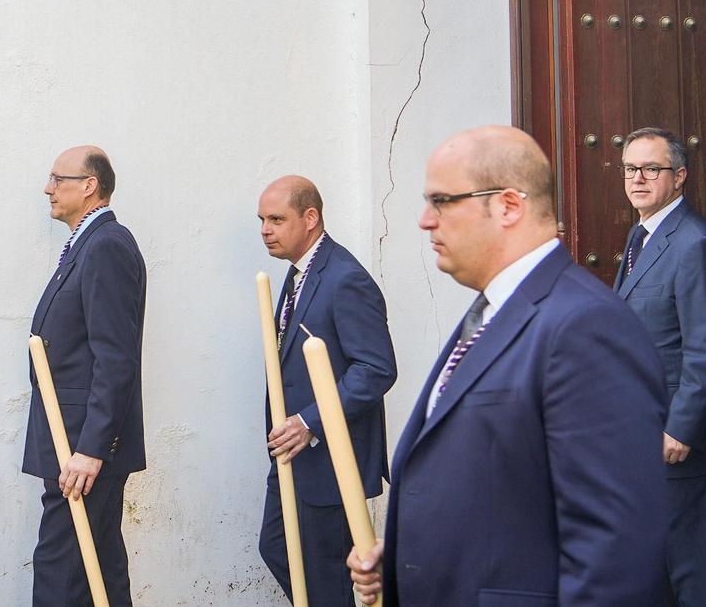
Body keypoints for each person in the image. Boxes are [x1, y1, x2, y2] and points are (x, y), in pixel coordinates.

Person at [349, 126, 667, 607]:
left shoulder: (584, 326)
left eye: (441, 201)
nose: (424, 221)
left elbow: (614, 551)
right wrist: (410, 558)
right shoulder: (489, 312)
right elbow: (507, 495)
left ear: (509, 206)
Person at [612, 128, 706, 607]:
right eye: (631, 168)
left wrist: (682, 428)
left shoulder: (695, 243)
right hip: (645, 437)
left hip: (685, 445)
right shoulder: (642, 236)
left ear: (680, 176)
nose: (638, 178)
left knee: (695, 575)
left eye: (652, 168)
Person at [256, 175, 395, 607]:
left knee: (325, 576)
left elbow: (376, 369)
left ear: (310, 218)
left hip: (331, 460)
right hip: (295, 456)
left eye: (277, 219)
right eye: (261, 220)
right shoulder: (300, 274)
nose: (265, 230)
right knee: (278, 549)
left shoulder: (345, 278)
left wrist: (308, 422)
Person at [26, 146, 146, 607]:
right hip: (70, 440)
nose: (48, 188)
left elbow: (115, 358)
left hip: (81, 447)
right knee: (98, 566)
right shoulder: (86, 244)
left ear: (89, 186)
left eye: (58, 178)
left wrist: (92, 450)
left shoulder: (106, 245)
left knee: (63, 570)